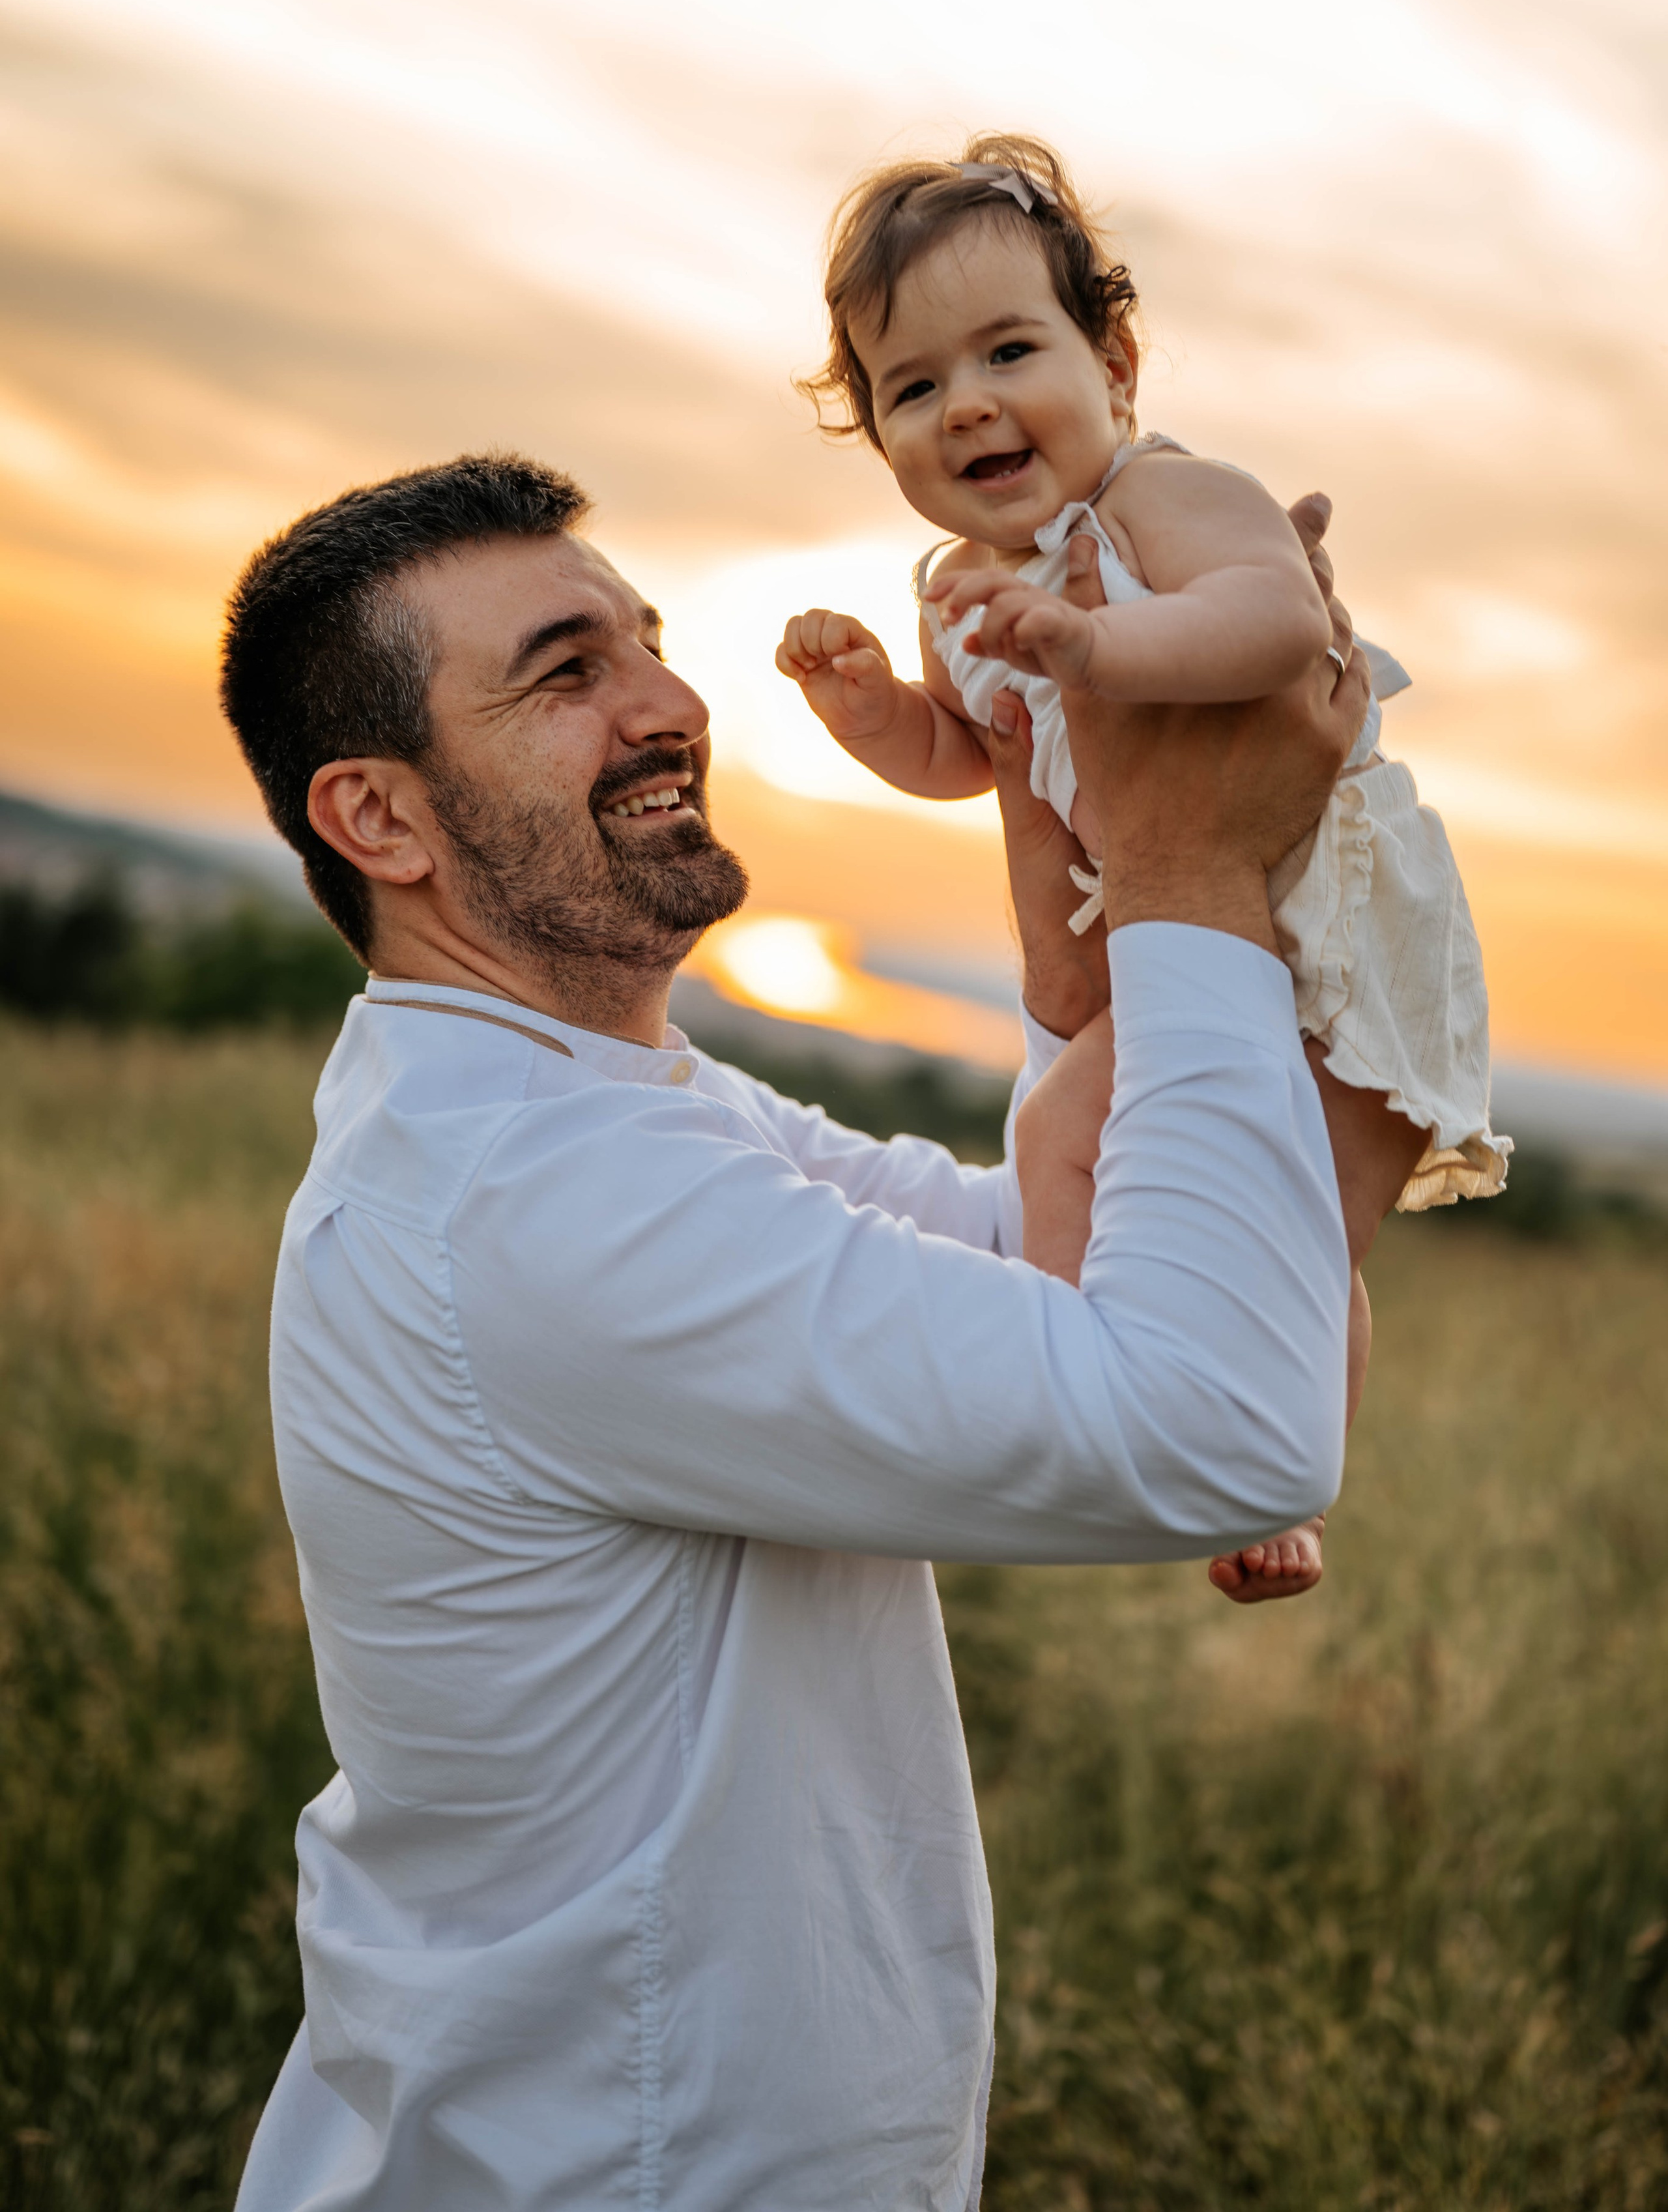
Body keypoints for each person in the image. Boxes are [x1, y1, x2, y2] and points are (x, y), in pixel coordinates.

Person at [221, 448, 1392, 2212]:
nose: (668, 702)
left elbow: (1049, 1258)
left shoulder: (613, 1114)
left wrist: (1100, 779)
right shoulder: (538, 1194)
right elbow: (1223, 1422)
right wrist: (1179, 868)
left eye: (646, 640)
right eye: (567, 670)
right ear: (381, 820)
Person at [778, 133, 1510, 1594]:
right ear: (877, 434)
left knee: (1078, 1145)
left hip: (1318, 918)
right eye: (911, 387)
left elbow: (1275, 625)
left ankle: (1101, 1399)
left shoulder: (1165, 505)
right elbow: (971, 754)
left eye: (1006, 351)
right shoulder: (959, 592)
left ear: (1112, 359)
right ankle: (1268, 1457)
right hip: (1198, 923)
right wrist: (872, 712)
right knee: (1264, 1221)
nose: (966, 403)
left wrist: (1102, 642)